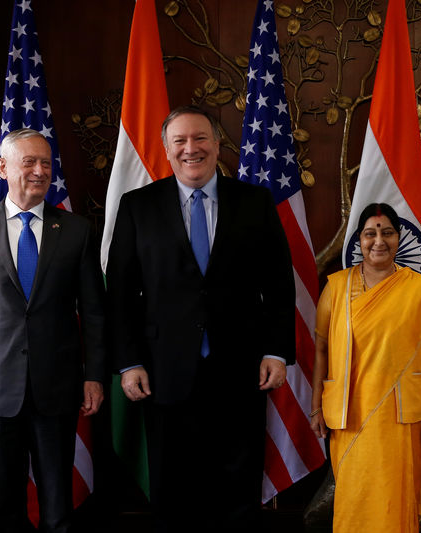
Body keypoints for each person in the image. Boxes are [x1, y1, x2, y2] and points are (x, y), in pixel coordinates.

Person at [106, 106, 295, 532]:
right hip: (163, 370)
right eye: (180, 141)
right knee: (174, 487)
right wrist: (129, 360)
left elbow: (279, 284)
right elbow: (120, 293)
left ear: (217, 143)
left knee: (237, 484)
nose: (191, 149)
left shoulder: (255, 201)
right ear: (167, 150)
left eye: (201, 138)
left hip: (240, 368)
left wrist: (276, 350)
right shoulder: (138, 206)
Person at [0, 128, 106, 532]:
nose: (39, 171)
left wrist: (95, 376)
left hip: (58, 386)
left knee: (57, 506)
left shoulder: (76, 230)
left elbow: (95, 313)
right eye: (28, 162)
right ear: (3, 167)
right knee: (4, 505)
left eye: (46, 163)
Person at [309, 203, 421, 533]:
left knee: (395, 494)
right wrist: (315, 404)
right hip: (349, 411)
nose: (379, 241)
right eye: (370, 233)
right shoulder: (336, 287)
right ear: (359, 240)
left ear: (399, 237)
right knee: (354, 494)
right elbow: (320, 349)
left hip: (400, 413)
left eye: (387, 232)